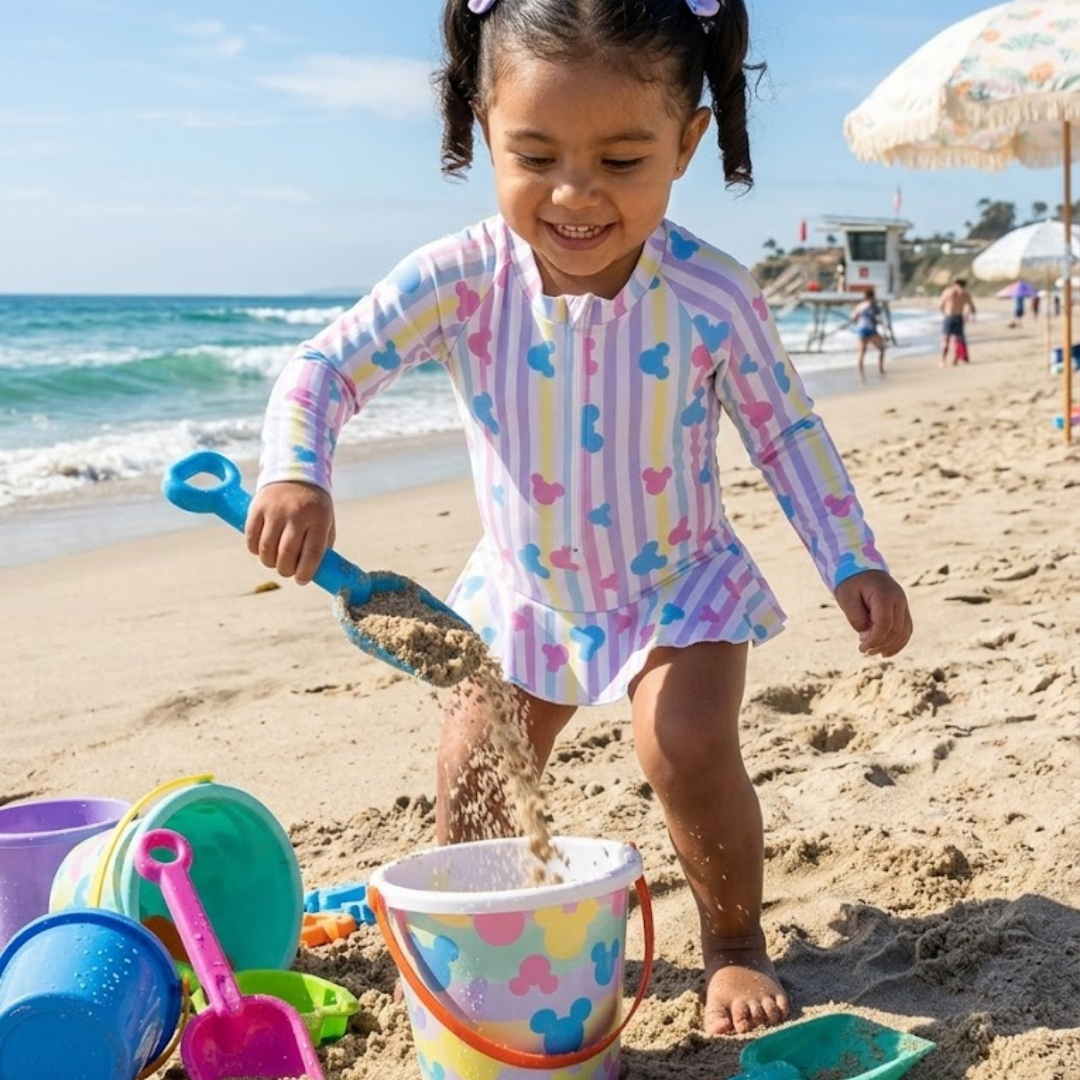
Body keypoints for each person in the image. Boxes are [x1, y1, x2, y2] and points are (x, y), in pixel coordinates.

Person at [246, 0, 913, 1038]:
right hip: (527, 589)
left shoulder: (712, 294)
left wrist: (851, 560)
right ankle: (475, 930)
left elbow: (785, 434)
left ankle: (734, 943)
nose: (575, 194)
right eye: (537, 153)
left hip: (679, 577)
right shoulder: (459, 278)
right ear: (483, 125)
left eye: (621, 159)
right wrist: (297, 472)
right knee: (472, 757)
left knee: (684, 745)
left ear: (687, 142)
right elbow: (324, 365)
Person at [850, 287, 886, 380]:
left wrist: (859, 321)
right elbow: (878, 318)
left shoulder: (860, 305)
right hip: (870, 330)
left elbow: (853, 317)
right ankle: (881, 369)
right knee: (882, 349)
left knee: (861, 353)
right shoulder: (872, 305)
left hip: (861, 329)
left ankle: (861, 375)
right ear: (873, 296)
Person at [939, 277, 976, 365]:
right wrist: (969, 315)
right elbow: (972, 307)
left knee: (946, 340)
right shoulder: (965, 294)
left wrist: (944, 313)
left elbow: (940, 305)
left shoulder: (947, 292)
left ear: (955, 283)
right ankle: (954, 361)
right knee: (957, 340)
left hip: (949, 317)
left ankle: (942, 361)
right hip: (959, 317)